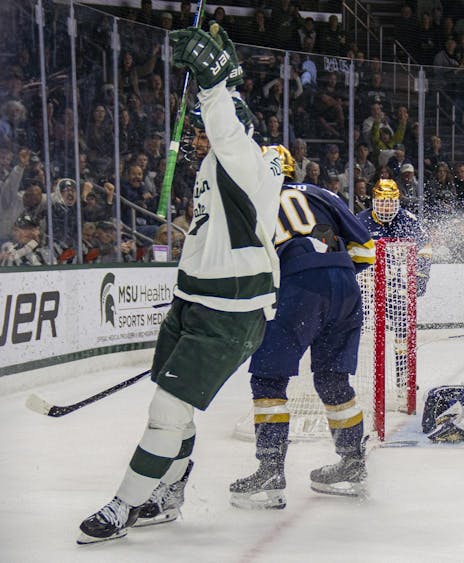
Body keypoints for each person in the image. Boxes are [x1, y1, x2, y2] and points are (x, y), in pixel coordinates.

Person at [77, 24, 284, 544]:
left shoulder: (248, 163)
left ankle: (126, 503)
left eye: (202, 129)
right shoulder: (218, 165)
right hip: (193, 303)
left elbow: (227, 129)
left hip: (230, 312)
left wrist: (216, 83)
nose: (196, 138)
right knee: (171, 405)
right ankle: (168, 493)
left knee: (168, 410)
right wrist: (226, 79)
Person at [228, 149, 377, 509]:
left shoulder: (252, 204)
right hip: (345, 286)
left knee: (268, 379)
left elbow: (248, 269)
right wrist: (330, 280)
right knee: (332, 379)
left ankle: (270, 471)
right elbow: (367, 251)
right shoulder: (321, 194)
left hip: (297, 287)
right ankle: (352, 463)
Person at [356, 179, 432, 391]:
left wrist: (421, 276)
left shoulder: (408, 220)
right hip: (366, 286)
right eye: (382, 202)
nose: (387, 207)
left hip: (397, 286)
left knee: (403, 331)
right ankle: (345, 374)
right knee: (353, 327)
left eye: (391, 202)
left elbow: (424, 248)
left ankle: (404, 377)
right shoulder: (360, 221)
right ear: (374, 202)